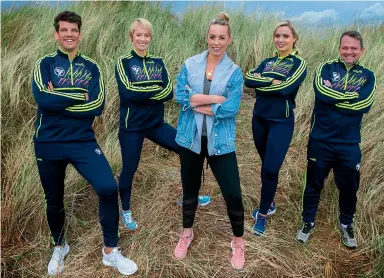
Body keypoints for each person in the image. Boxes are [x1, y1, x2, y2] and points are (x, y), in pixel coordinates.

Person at [32, 11, 137, 276]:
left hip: (82, 141)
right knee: (53, 199)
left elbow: (97, 106)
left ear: (80, 33)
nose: (69, 34)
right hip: (48, 142)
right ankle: (59, 246)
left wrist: (61, 98)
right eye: (64, 30)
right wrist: (78, 95)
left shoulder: (91, 67)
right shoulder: (44, 63)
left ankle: (110, 252)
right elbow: (43, 100)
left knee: (107, 187)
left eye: (74, 30)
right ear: (56, 33)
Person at [115, 18, 210, 231]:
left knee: (186, 149)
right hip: (132, 127)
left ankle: (188, 196)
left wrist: (145, 93)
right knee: (129, 168)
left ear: (151, 37)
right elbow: (128, 92)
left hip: (156, 124)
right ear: (132, 37)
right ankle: (126, 211)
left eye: (146, 35)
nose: (143, 39)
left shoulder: (158, 62)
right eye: (138, 34)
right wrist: (153, 92)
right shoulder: (123, 62)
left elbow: (168, 92)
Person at [173, 12, 245, 270]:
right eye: (212, 36)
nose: (216, 42)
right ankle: (187, 233)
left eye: (222, 38)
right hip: (190, 139)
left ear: (229, 39)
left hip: (221, 142)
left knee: (233, 194)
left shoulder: (234, 72)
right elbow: (180, 95)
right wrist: (215, 99)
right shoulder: (190, 63)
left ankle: (238, 241)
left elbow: (231, 109)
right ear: (207, 36)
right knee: (189, 190)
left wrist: (197, 101)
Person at [297, 31, 376, 248]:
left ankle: (346, 223)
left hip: (349, 144)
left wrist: (337, 96)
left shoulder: (368, 75)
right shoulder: (326, 68)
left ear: (362, 50)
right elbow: (322, 93)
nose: (349, 51)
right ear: (339, 48)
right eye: (345, 47)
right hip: (320, 139)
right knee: (313, 184)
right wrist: (351, 95)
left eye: (354, 48)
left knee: (349, 186)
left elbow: (365, 104)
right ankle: (308, 221)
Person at [244, 21, 307, 235]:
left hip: (281, 121)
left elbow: (285, 88)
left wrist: (266, 82)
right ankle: (269, 202)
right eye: (277, 35)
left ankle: (262, 215)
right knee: (266, 165)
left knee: (271, 168)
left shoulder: (298, 63)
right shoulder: (267, 61)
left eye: (285, 36)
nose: (281, 39)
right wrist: (268, 82)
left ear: (294, 38)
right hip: (259, 118)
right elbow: (249, 79)